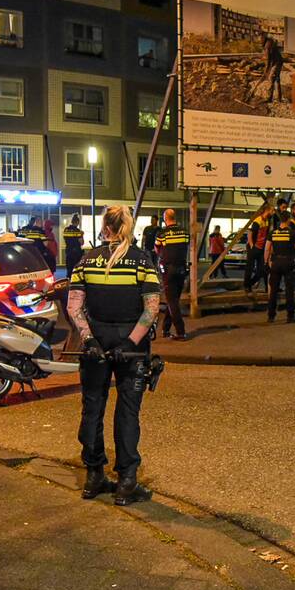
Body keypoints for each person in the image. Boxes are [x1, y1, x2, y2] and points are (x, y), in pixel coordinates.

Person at [67, 205, 160, 505]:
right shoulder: (142, 261)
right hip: (129, 348)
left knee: (92, 407)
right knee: (127, 411)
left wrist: (89, 339)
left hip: (96, 343)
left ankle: (94, 475)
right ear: (128, 227)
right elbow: (151, 308)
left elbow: (74, 306)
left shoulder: (86, 260)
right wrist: (130, 343)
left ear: (105, 228)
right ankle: (127, 481)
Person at [155, 209, 190, 340]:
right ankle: (165, 329)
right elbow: (186, 245)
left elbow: (157, 248)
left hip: (168, 269)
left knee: (172, 301)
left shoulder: (162, 233)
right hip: (181, 268)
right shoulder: (185, 232)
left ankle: (181, 332)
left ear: (165, 218)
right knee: (174, 300)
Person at [264, 211, 295, 324]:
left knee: (273, 291)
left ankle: (271, 316)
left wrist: (267, 261)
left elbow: (267, 248)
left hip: (276, 262)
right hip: (288, 262)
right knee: (289, 291)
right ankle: (290, 316)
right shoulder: (292, 233)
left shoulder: (272, 233)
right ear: (288, 219)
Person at [243, 204, 273, 297]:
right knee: (250, 267)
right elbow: (250, 233)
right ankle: (247, 287)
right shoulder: (258, 220)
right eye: (272, 211)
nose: (273, 213)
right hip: (254, 248)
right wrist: (252, 245)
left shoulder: (267, 221)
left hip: (261, 248)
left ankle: (249, 283)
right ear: (267, 210)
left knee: (262, 270)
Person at [261, 33, 284, 103]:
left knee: (271, 78)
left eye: (261, 39)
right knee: (277, 79)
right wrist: (267, 69)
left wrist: (266, 71)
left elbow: (268, 60)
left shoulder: (267, 46)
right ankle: (279, 98)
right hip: (278, 61)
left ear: (263, 39)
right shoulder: (270, 42)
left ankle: (269, 98)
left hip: (277, 62)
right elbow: (270, 59)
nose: (260, 40)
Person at [63, 213, 85, 278]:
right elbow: (81, 243)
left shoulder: (66, 230)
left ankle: (68, 281)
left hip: (68, 252)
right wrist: (82, 235)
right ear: (77, 222)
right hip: (76, 253)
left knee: (69, 269)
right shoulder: (78, 231)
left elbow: (65, 239)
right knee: (76, 269)